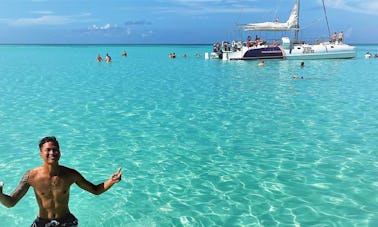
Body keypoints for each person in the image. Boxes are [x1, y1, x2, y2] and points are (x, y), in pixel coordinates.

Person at [0, 136, 122, 227]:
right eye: (48, 150)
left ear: (60, 152)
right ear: (40, 154)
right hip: (42, 222)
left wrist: (111, 181)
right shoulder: (31, 176)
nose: (52, 152)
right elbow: (11, 202)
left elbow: (95, 190)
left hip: (66, 221)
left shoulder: (70, 174)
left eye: (55, 149)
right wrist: (0, 195)